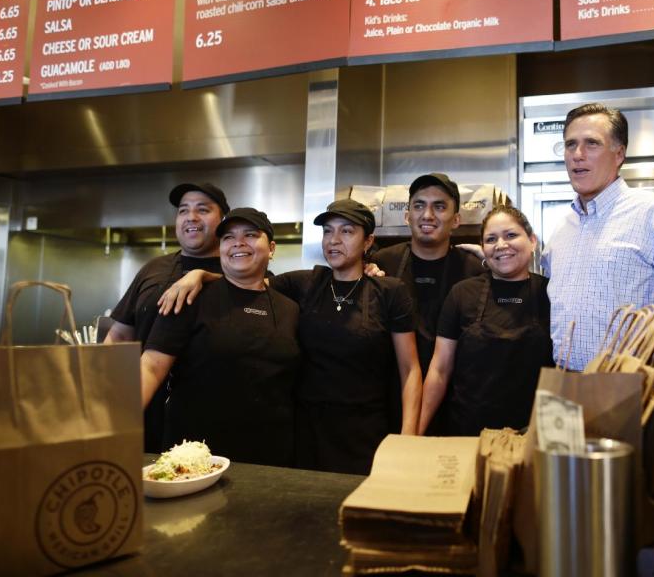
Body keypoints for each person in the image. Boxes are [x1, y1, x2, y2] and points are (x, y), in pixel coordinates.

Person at [161, 199, 422, 475]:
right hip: (306, 433)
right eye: (327, 232)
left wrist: (407, 439)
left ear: (368, 241)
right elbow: (246, 279)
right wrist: (198, 276)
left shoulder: (390, 291)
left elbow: (410, 369)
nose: (334, 240)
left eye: (346, 231)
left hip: (365, 431)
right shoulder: (305, 283)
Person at [139, 208, 300, 465]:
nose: (238, 242)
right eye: (228, 237)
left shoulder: (290, 308)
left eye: (250, 235)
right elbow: (151, 366)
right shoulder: (189, 296)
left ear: (271, 248)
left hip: (272, 455)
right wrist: (115, 428)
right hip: (197, 457)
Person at [542, 103, 654, 371]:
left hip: (635, 385)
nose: (577, 155)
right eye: (570, 145)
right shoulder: (561, 229)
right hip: (564, 382)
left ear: (619, 154)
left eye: (592, 143)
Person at [105, 182, 229, 452]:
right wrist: (101, 390)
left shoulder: (236, 270)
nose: (191, 217)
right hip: (142, 407)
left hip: (206, 420)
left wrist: (203, 275)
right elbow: (120, 334)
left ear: (223, 220)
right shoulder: (154, 268)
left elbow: (265, 284)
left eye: (203, 210)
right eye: (183, 210)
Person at [418, 204, 552, 436]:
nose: (501, 245)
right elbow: (439, 369)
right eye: (491, 239)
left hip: (535, 435)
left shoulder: (550, 293)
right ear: (483, 248)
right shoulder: (462, 294)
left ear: (532, 240)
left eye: (511, 235)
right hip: (468, 433)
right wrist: (416, 433)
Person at [369, 173, 485, 433]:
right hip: (389, 399)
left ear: (456, 220)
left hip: (455, 405)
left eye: (439, 206)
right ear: (407, 216)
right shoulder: (382, 264)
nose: (428, 215)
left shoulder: (474, 270)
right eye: (419, 205)